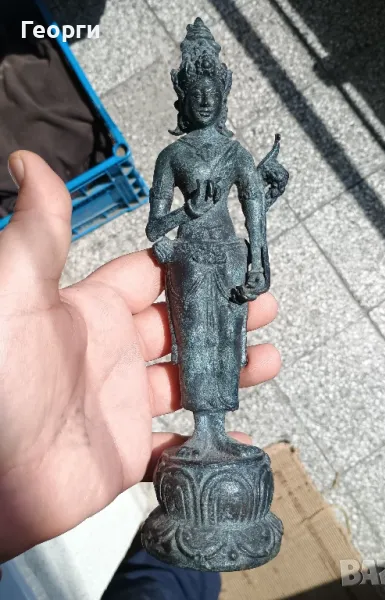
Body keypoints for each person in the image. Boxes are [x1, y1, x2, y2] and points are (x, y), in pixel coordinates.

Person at [0, 151, 281, 595]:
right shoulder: (174, 155)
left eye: (212, 104)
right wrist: (186, 214)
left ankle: (215, 434)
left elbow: (251, 210)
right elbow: (156, 228)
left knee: (229, 346)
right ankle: (205, 435)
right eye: (195, 104)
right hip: (189, 259)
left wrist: (260, 243)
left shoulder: (234, 155)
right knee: (192, 344)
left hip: (229, 255)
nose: (204, 110)